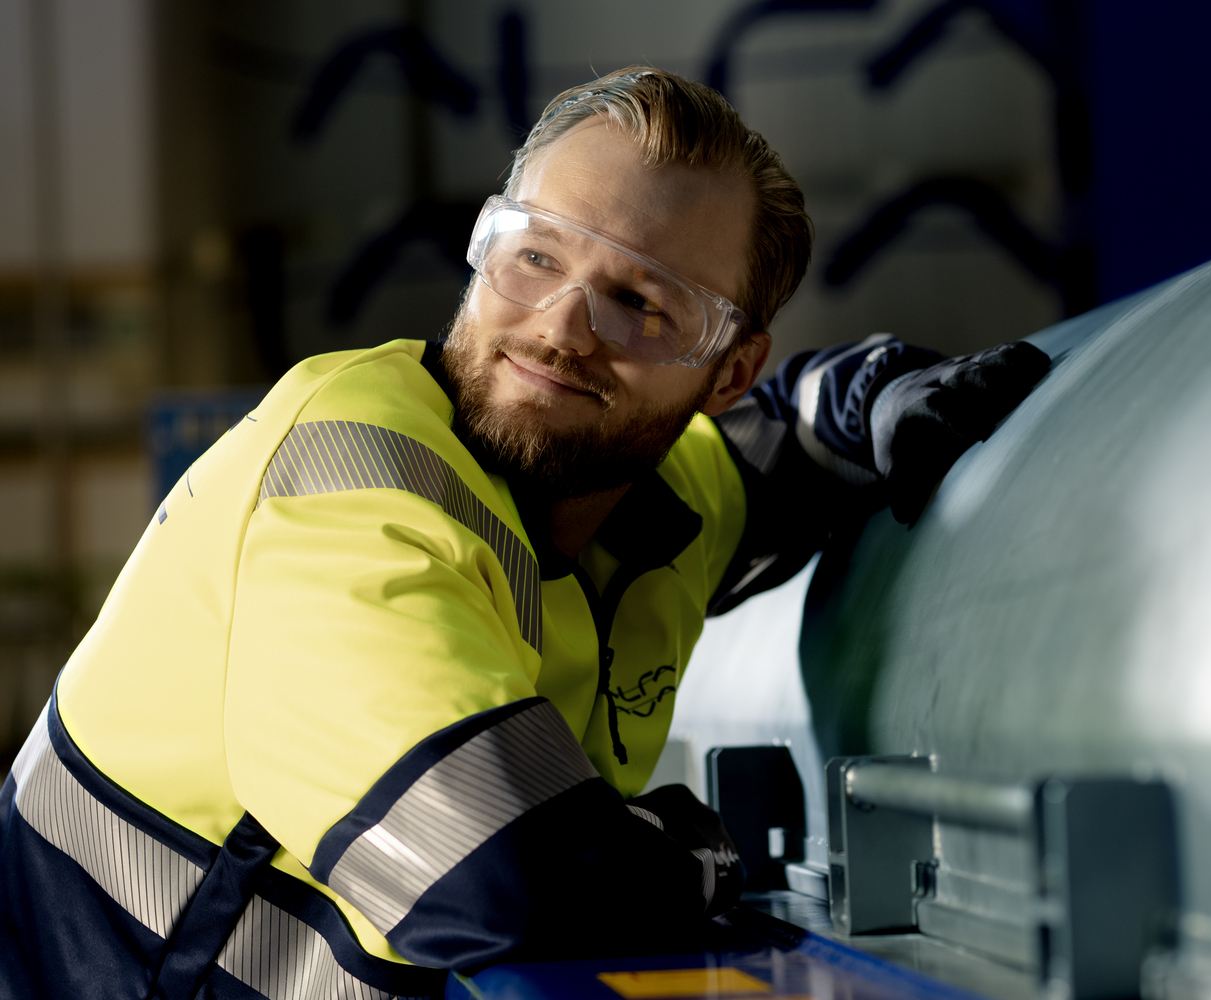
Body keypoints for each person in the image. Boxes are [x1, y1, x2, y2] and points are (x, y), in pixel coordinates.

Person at [0, 68, 1049, 998]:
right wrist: (700, 851)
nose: (560, 326)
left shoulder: (629, 493)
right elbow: (505, 881)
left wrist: (877, 394)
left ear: (727, 370)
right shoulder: (350, 485)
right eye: (536, 255)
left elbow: (781, 445)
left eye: (643, 302)